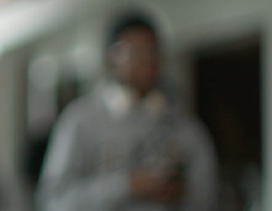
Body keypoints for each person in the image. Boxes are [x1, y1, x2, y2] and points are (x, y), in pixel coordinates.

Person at [35, 11, 218, 211]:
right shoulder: (80, 121)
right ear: (112, 58)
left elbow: (206, 198)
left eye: (151, 51)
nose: (145, 61)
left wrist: (179, 194)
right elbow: (54, 202)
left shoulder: (184, 126)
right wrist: (126, 186)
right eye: (134, 52)